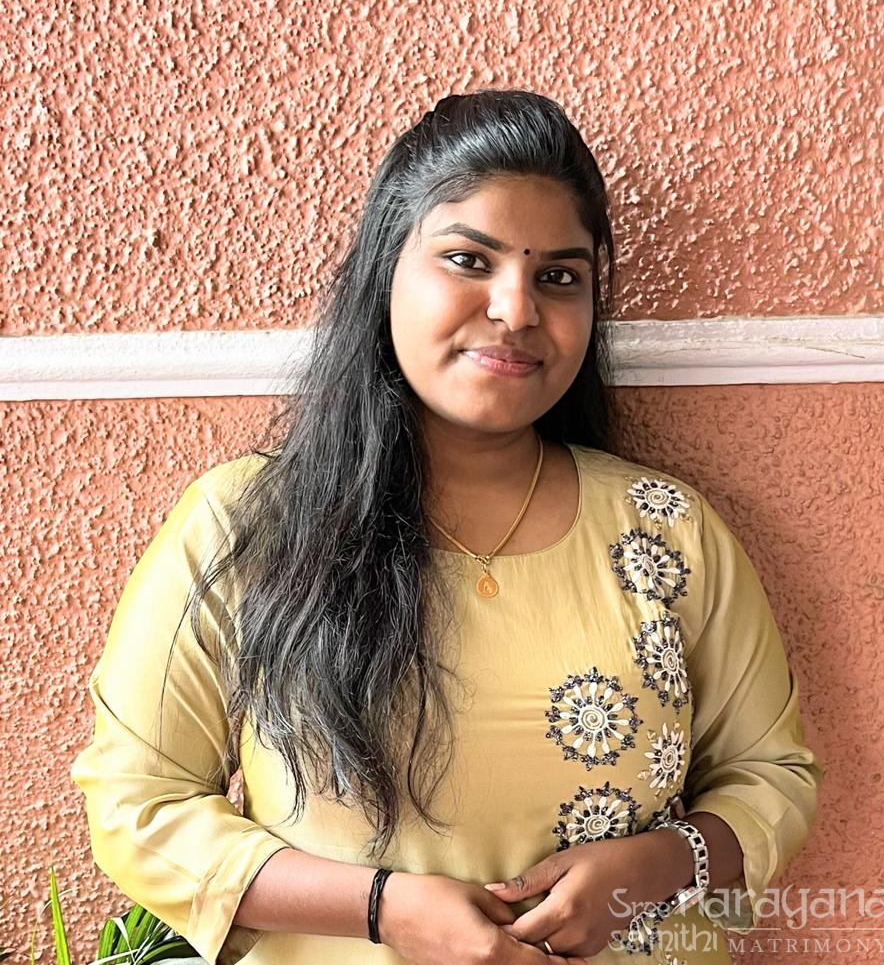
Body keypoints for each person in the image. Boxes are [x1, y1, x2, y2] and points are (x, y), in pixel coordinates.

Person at [70, 89, 823, 965]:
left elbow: (773, 777)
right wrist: (384, 909)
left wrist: (658, 864)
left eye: (559, 277)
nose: (516, 309)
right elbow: (138, 804)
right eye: (469, 259)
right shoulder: (249, 525)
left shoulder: (667, 533)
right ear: (385, 270)